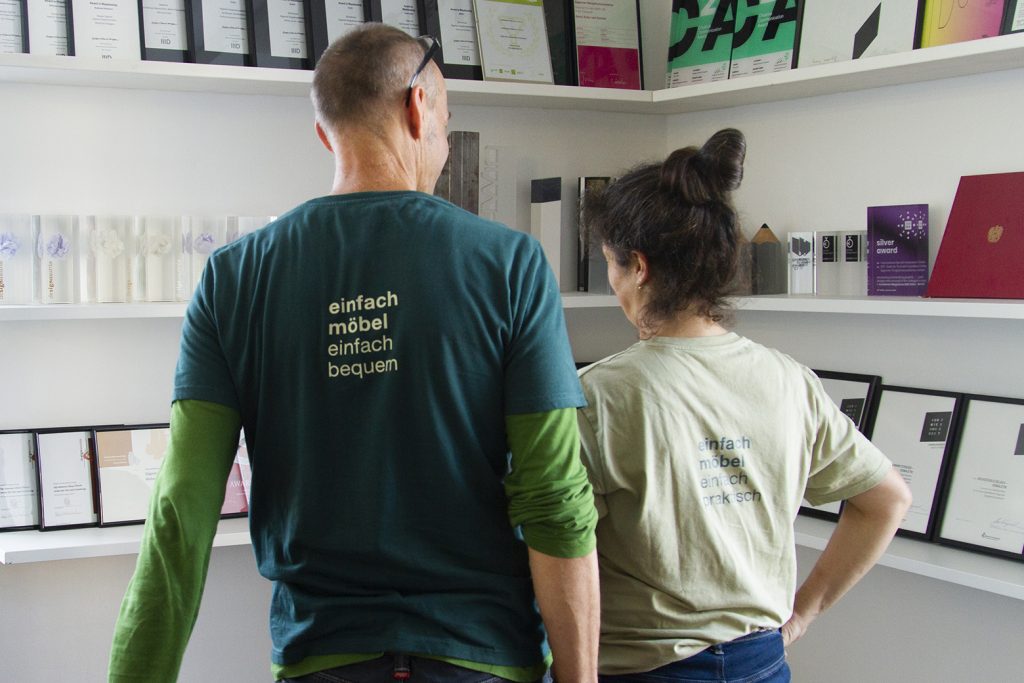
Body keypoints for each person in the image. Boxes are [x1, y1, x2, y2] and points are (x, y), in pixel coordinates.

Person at [108, 24, 599, 683]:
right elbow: (554, 496)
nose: (444, 143)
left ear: (324, 134)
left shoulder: (233, 277)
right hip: (483, 654)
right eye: (447, 123)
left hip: (322, 656)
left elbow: (183, 508)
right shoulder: (510, 264)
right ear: (419, 106)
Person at [575, 128, 912, 682]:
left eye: (612, 263)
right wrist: (803, 614)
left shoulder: (596, 395)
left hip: (645, 669)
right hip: (763, 663)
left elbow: (559, 549)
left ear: (638, 266)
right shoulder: (789, 380)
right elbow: (887, 500)